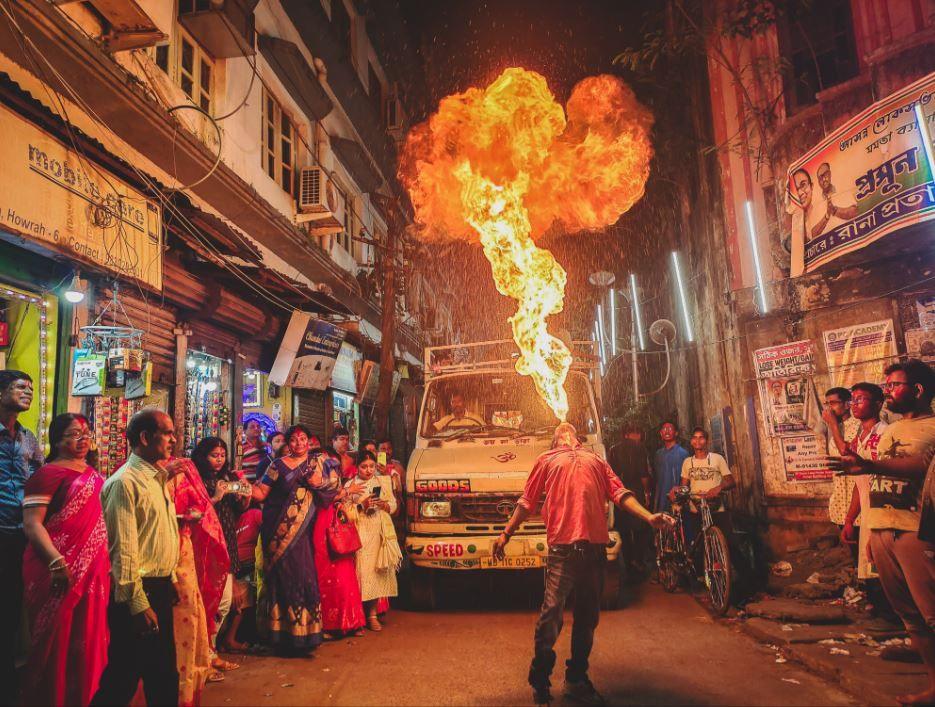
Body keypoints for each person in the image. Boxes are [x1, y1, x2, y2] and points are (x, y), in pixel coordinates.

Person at [493, 423, 672, 706]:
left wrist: (649, 517)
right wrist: (506, 533)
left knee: (587, 618)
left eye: (569, 428)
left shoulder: (596, 460)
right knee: (551, 615)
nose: (564, 427)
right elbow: (527, 502)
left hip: (594, 551)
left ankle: (576, 678)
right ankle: (540, 679)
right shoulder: (547, 460)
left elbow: (620, 494)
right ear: (555, 441)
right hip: (563, 551)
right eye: (560, 429)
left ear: (577, 437)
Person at [834, 360, 935, 706]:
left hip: (916, 532)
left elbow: (917, 466)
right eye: (887, 385)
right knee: (910, 617)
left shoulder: (933, 427)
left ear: (917, 390)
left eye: (894, 385)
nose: (889, 390)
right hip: (881, 531)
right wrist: (868, 531)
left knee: (931, 613)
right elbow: (871, 479)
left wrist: (872, 464)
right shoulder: (890, 432)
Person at [91, 410, 181, 706]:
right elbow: (124, 549)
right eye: (167, 433)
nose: (173, 440)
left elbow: (159, 535)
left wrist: (172, 577)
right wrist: (138, 602)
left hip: (158, 585)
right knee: (124, 678)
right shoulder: (124, 483)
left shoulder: (158, 478)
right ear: (145, 438)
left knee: (160, 675)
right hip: (138, 591)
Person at [21, 413, 109, 706]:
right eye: (73, 434)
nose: (83, 440)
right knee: (56, 642)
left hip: (94, 569)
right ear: (57, 440)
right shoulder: (47, 474)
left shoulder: (94, 474)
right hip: (55, 567)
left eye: (86, 434)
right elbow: (32, 523)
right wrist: (57, 562)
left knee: (89, 639)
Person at [252, 425, 340, 654]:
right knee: (279, 578)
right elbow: (262, 493)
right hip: (276, 530)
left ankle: (304, 636)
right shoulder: (276, 465)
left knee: (302, 575)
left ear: (309, 441)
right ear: (287, 443)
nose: (299, 443)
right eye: (294, 439)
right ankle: (279, 636)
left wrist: (317, 483)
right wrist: (240, 486)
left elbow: (334, 489)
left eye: (303, 439)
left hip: (303, 531)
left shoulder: (320, 462)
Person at [165, 456, 228, 702]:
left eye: (172, 435)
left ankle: (186, 686)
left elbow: (200, 508)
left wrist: (193, 514)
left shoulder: (183, 472)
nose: (170, 440)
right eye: (164, 435)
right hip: (153, 560)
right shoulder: (135, 477)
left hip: (183, 554)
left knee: (188, 616)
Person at [0, 370, 42, 701]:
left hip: (19, 535)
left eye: (31, 388)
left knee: (12, 610)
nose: (27, 393)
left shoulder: (28, 438)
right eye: (19, 388)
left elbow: (39, 480)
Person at [191, 437, 249, 670]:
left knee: (223, 602)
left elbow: (238, 511)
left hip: (227, 542)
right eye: (214, 455)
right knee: (206, 602)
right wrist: (215, 497)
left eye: (222, 455)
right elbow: (194, 513)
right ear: (203, 456)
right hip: (205, 545)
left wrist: (243, 497)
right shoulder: (196, 480)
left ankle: (210, 650)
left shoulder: (228, 478)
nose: (218, 460)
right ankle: (202, 655)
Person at [344, 450, 401, 632]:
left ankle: (372, 615)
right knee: (360, 574)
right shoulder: (350, 485)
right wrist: (361, 506)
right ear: (357, 467)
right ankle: (358, 617)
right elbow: (344, 512)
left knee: (375, 574)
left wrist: (383, 505)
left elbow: (393, 505)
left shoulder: (381, 481)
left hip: (378, 531)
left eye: (371, 466)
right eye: (364, 466)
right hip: (359, 532)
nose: (368, 470)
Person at [312, 451, 366, 639]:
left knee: (345, 574)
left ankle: (352, 622)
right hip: (320, 524)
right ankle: (328, 625)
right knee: (325, 573)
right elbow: (322, 497)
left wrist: (343, 495)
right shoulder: (311, 476)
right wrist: (344, 492)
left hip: (335, 520)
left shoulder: (331, 473)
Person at [838, 383, 888, 582]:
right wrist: (850, 519)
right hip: (868, 518)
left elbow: (884, 484)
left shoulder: (885, 434)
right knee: (873, 576)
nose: (854, 404)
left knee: (887, 575)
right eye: (853, 400)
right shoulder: (859, 438)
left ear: (878, 403)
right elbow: (861, 486)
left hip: (884, 517)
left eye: (860, 399)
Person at [675, 427, 736, 546]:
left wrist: (718, 488)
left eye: (701, 438)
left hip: (716, 508)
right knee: (699, 547)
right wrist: (678, 492)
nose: (698, 441)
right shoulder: (687, 462)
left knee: (726, 545)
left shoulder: (717, 459)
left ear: (707, 441)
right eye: (695, 438)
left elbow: (731, 481)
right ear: (691, 441)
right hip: (696, 509)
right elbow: (684, 486)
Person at [607, 424, 653, 575]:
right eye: (638, 433)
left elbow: (611, 474)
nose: (639, 437)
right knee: (640, 527)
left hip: (620, 492)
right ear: (632, 434)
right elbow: (643, 473)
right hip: (636, 490)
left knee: (624, 530)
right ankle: (639, 560)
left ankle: (628, 563)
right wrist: (646, 492)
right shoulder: (640, 448)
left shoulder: (613, 449)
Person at [824, 387, 862, 531]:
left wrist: (832, 423)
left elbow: (846, 452)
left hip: (858, 504)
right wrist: (833, 425)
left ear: (847, 404)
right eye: (826, 404)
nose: (829, 408)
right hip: (840, 502)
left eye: (833, 403)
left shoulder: (859, 425)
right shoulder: (832, 427)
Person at [811, 162, 857, 237]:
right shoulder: (816, 203)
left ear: (830, 174)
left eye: (825, 174)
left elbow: (854, 212)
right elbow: (813, 233)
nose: (823, 179)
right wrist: (827, 216)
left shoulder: (843, 189)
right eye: (820, 178)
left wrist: (834, 210)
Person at [652, 420, 689, 513]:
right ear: (661, 433)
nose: (667, 431)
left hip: (678, 500)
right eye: (664, 429)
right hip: (662, 501)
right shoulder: (658, 454)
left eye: (670, 429)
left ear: (676, 433)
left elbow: (687, 480)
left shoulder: (683, 453)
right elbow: (658, 480)